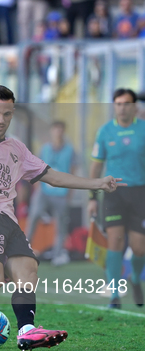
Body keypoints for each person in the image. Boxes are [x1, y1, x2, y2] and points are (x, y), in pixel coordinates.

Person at [0, 85, 123, 351]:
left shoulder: (18, 148)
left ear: (12, 114)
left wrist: (96, 183)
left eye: (6, 114)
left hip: (8, 219)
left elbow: (53, 176)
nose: (1, 119)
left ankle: (26, 331)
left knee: (27, 271)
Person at [89, 88, 145, 309]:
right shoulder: (104, 132)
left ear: (134, 106)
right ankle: (114, 293)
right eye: (119, 103)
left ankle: (136, 279)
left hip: (140, 193)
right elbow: (96, 166)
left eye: (127, 103)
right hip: (113, 193)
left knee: (139, 248)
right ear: (114, 106)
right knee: (116, 241)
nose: (123, 107)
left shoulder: (143, 129)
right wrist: (92, 198)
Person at [26, 121, 76, 266]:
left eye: (60, 129)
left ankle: (58, 254)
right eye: (55, 129)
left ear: (64, 131)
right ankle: (24, 249)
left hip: (61, 192)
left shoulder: (70, 150)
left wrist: (70, 192)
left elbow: (72, 170)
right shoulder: (44, 149)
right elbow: (35, 168)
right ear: (51, 131)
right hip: (44, 191)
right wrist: (36, 187)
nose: (58, 132)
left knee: (61, 224)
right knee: (34, 216)